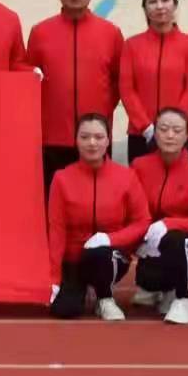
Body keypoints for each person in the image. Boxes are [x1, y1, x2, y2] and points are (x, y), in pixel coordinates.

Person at [26, 0, 123, 199]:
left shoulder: (110, 33)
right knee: (53, 199)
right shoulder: (40, 32)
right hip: (53, 135)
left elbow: (119, 80)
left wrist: (102, 109)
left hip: (95, 136)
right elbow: (30, 79)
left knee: (97, 199)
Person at [47, 113, 150, 321]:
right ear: (76, 140)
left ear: (108, 140)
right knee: (64, 309)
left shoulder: (127, 177)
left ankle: (105, 297)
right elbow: (57, 230)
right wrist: (54, 279)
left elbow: (142, 221)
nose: (92, 143)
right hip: (75, 260)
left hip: (110, 256)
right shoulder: (61, 178)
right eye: (85, 137)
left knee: (101, 255)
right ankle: (82, 289)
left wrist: (110, 239)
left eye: (99, 137)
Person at [128, 107, 188, 324]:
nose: (169, 135)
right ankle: (166, 288)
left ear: (187, 136)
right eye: (163, 129)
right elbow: (132, 210)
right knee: (148, 279)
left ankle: (184, 298)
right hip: (152, 242)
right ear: (155, 133)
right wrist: (141, 236)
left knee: (176, 239)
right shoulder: (139, 166)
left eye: (177, 130)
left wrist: (168, 224)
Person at [120, 0, 188, 163]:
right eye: (152, 1)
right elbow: (127, 90)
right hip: (141, 135)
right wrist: (147, 128)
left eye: (165, 0)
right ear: (144, 8)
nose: (159, 6)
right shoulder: (131, 45)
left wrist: (174, 127)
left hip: (181, 134)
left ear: (175, 4)